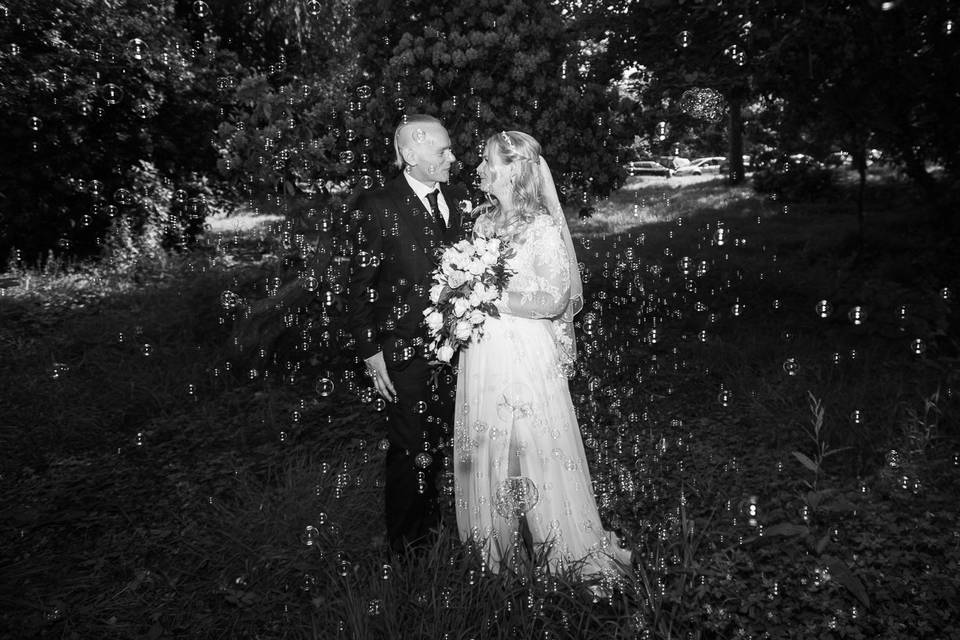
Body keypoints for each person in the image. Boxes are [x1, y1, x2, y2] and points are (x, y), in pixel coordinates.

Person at [453, 130, 631, 581]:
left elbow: (554, 299)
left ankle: (566, 555)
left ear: (513, 169)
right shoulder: (481, 222)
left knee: (529, 444)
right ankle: (497, 560)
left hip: (523, 348)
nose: (478, 168)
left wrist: (486, 295)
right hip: (483, 350)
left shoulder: (542, 226)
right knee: (488, 440)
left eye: (487, 160)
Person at [347, 114, 471, 557]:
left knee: (437, 441)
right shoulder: (378, 205)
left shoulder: (458, 200)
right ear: (412, 154)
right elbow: (357, 287)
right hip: (401, 350)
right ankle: (406, 548)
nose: (452, 157)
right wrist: (369, 352)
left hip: (457, 346)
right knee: (408, 446)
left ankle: (433, 523)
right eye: (443, 151)